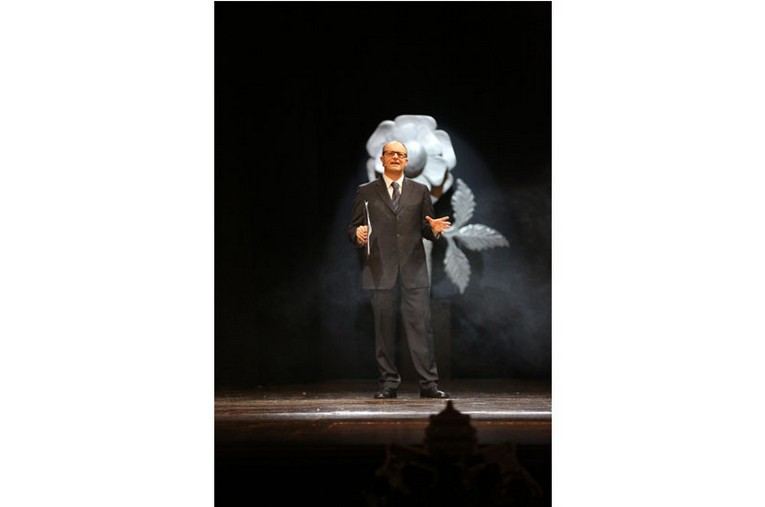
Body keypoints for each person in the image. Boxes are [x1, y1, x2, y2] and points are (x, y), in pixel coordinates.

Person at [347, 140, 452, 399]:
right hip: (380, 269)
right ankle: (388, 383)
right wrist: (357, 234)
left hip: (413, 269)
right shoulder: (366, 192)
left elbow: (425, 228)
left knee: (421, 327)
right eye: (391, 153)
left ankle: (428, 384)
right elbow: (353, 227)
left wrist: (434, 230)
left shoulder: (420, 190)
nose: (396, 157)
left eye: (401, 154)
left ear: (406, 161)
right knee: (384, 330)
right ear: (382, 159)